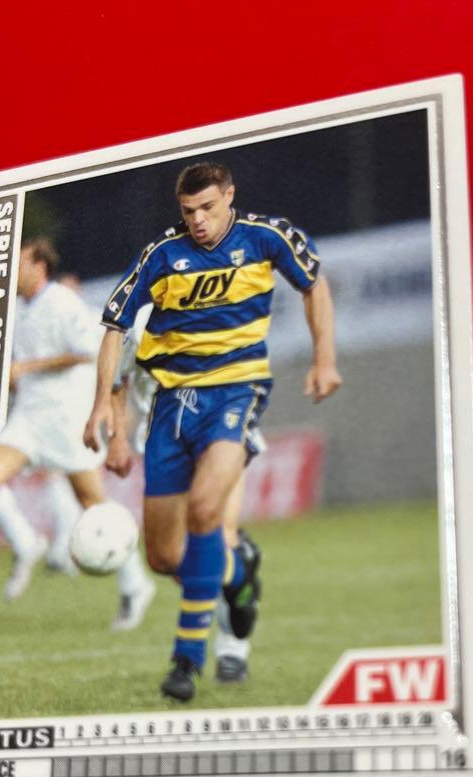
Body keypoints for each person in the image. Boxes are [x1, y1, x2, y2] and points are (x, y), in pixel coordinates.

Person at [85, 162, 340, 700]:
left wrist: (324, 359)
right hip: (171, 414)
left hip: (234, 397)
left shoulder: (265, 237)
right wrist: (109, 422)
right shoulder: (160, 261)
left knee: (209, 517)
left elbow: (313, 282)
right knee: (165, 557)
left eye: (207, 208)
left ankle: (199, 656)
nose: (198, 220)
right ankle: (238, 574)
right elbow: (115, 342)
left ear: (229, 197)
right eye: (188, 211)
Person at [0, 237, 155, 630]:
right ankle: (26, 543)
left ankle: (135, 584)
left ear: (40, 266)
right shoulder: (18, 310)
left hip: (66, 417)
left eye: (19, 263)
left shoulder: (62, 303)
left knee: (94, 505)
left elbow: (89, 350)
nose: (11, 272)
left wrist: (27, 368)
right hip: (29, 416)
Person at [108, 320, 252, 681]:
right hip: (164, 442)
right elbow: (117, 379)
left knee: (218, 533)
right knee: (167, 558)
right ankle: (239, 570)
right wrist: (117, 438)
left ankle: (230, 649)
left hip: (222, 428)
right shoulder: (135, 322)